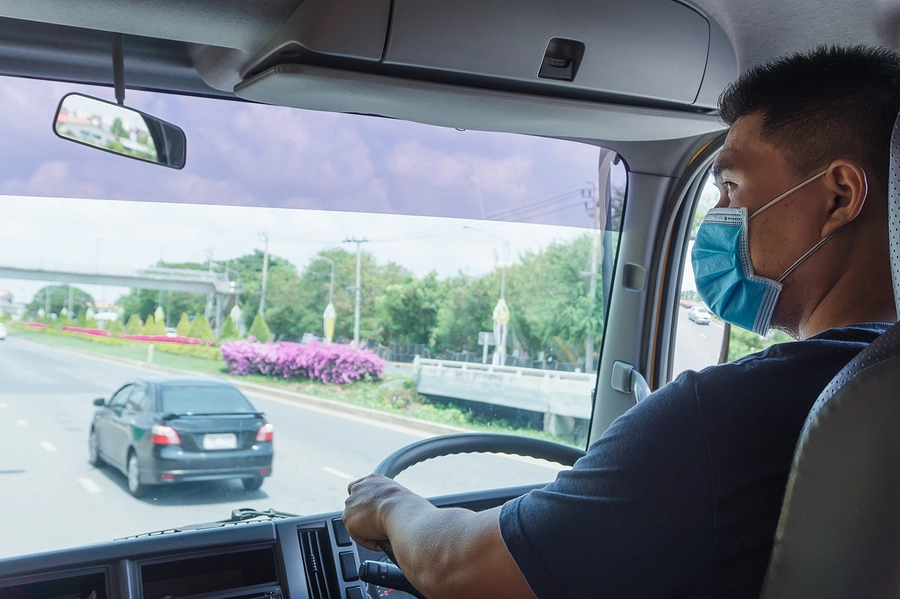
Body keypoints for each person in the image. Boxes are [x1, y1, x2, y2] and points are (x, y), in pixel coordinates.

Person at [342, 45, 900, 599]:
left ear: (839, 197)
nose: (718, 217)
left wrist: (390, 504)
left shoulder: (724, 416)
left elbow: (458, 569)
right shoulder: (862, 386)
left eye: (731, 187)